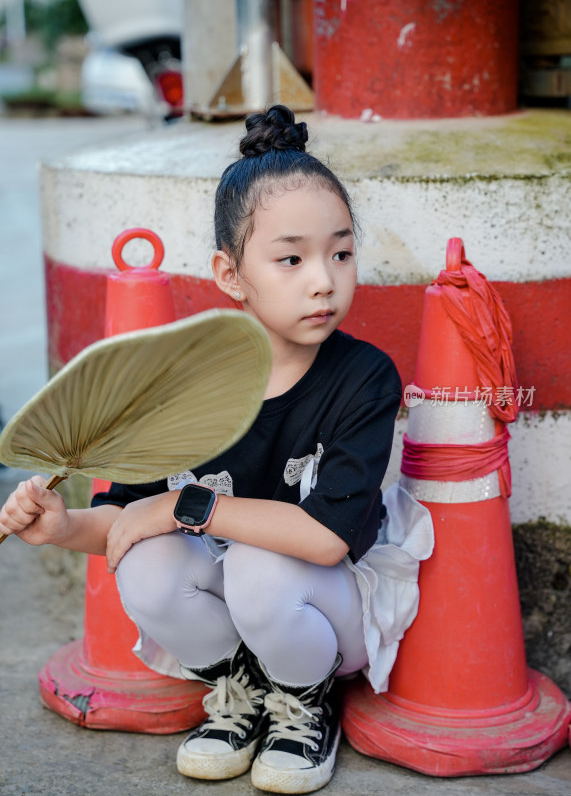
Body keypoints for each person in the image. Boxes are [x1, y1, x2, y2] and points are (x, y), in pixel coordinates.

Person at [0, 105, 430, 795]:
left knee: (259, 563)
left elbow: (323, 541)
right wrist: (62, 527)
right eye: (290, 258)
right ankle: (241, 690)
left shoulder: (363, 377)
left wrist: (183, 504)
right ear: (230, 276)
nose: (323, 279)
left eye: (340, 252)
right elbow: (132, 519)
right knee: (145, 563)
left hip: (328, 607)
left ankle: (304, 702)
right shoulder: (179, 388)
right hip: (240, 605)